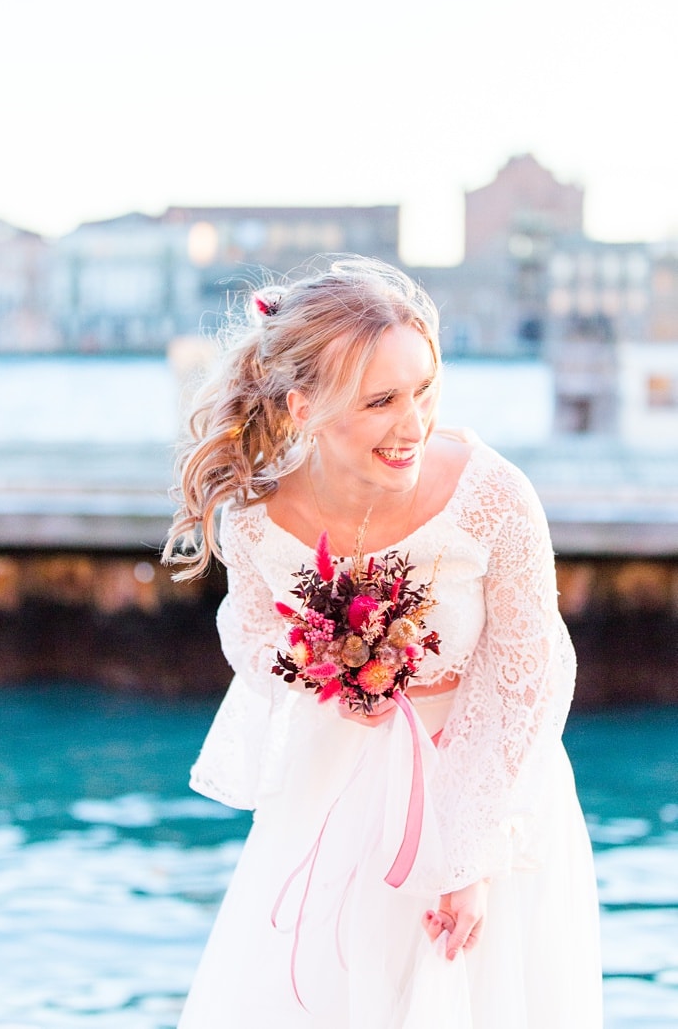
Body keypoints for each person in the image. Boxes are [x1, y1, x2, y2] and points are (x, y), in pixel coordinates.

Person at [162, 257, 602, 1026]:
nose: (414, 424)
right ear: (305, 407)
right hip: (336, 787)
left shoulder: (494, 495)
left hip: (493, 785)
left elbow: (529, 678)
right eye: (381, 401)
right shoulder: (260, 521)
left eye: (424, 390)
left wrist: (471, 858)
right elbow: (254, 629)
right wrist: (323, 675)